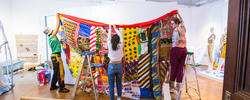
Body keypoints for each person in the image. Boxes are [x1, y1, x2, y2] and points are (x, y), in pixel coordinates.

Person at [43, 14, 70, 93]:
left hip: (54, 56)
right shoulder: (52, 36)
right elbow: (57, 26)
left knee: (56, 72)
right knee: (61, 72)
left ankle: (53, 86)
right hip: (56, 56)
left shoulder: (51, 38)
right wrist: (57, 18)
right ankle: (62, 88)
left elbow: (57, 44)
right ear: (50, 32)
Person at [169, 13, 187, 93]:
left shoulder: (176, 30)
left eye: (173, 23)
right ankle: (178, 86)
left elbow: (177, 40)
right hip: (184, 50)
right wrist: (179, 15)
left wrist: (176, 42)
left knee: (173, 68)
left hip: (176, 50)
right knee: (180, 68)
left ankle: (172, 87)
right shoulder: (182, 28)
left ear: (176, 23)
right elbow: (182, 23)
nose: (172, 25)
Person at [107, 25, 124, 100]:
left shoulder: (110, 45)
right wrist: (115, 28)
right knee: (119, 83)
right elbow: (121, 35)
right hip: (120, 65)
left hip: (111, 66)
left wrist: (110, 29)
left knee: (111, 85)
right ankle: (119, 98)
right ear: (118, 40)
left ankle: (112, 99)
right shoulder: (121, 45)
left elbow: (108, 37)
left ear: (111, 40)